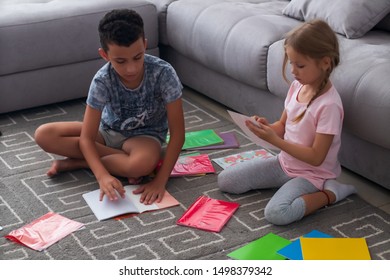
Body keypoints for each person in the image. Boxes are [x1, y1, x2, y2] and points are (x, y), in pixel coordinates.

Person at [35, 9, 185, 205]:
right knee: (44, 134)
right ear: (104, 54)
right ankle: (114, 162)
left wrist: (159, 181)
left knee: (140, 165)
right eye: (120, 61)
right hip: (106, 132)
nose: (131, 68)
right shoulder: (102, 80)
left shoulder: (164, 73)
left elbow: (178, 134)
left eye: (138, 57)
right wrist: (102, 176)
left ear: (145, 45)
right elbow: (87, 139)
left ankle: (79, 163)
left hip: (145, 137)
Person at [218, 19, 356, 226]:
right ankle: (288, 187)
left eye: (299, 65)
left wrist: (276, 141)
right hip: (284, 164)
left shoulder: (329, 106)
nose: (293, 71)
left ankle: (331, 193)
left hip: (312, 174)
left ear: (325, 62)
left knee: (277, 214)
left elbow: (317, 157)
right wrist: (265, 128)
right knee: (226, 180)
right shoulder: (297, 87)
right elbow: (282, 127)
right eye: (291, 62)